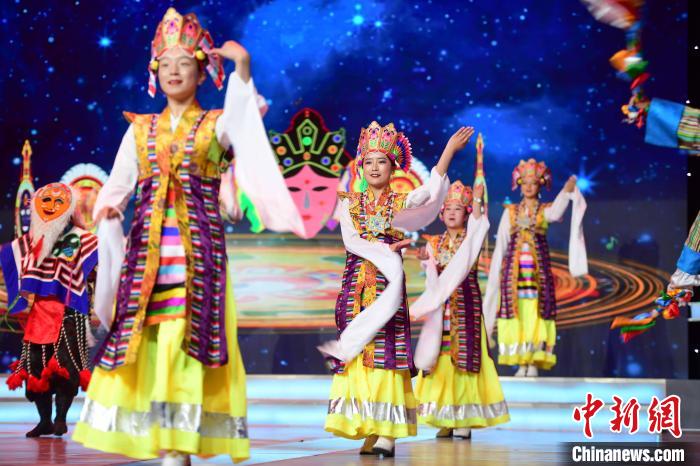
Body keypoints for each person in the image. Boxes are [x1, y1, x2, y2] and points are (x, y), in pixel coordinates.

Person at [72, 8, 302, 466]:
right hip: (147, 256)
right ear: (155, 72)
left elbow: (245, 124)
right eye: (166, 63)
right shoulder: (139, 129)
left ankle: (179, 442)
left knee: (187, 339)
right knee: (148, 339)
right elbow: (116, 187)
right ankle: (161, 435)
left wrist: (243, 68)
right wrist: (108, 209)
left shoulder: (215, 123)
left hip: (199, 253)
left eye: (184, 63)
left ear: (201, 72)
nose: (174, 71)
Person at [318, 123, 474, 457]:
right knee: (359, 352)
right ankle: (370, 427)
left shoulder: (402, 203)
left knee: (386, 353)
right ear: (361, 167)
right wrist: (385, 249)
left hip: (387, 288)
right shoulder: (348, 203)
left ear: (393, 167)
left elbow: (431, 191)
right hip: (356, 289)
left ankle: (388, 432)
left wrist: (448, 150)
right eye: (368, 161)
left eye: (381, 161)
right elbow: (352, 241)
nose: (374, 167)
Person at [412, 180, 509, 439]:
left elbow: (479, 223)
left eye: (458, 209)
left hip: (466, 306)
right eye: (448, 209)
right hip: (441, 311)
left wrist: (477, 200)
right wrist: (426, 262)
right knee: (440, 359)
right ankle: (445, 417)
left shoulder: (471, 239)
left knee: (464, 361)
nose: (452, 213)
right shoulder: (434, 242)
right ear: (441, 214)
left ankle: (464, 418)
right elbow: (432, 279)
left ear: (465, 213)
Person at [2, 183, 97, 438]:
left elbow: (95, 266)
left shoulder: (82, 238)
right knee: (35, 367)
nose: (52, 207)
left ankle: (61, 419)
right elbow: (11, 255)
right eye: (46, 201)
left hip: (69, 311)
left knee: (66, 368)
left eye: (59, 203)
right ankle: (44, 420)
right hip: (40, 313)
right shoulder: (33, 240)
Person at [483, 159, 587, 376]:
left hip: (538, 277)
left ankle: (533, 362)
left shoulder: (544, 211)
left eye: (533, 183)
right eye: (525, 183)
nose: (529, 187)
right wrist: (496, 272)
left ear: (540, 185)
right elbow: (501, 244)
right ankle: (521, 362)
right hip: (514, 277)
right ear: (519, 185)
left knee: (535, 313)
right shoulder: (510, 212)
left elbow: (556, 213)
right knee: (518, 314)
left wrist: (566, 191)